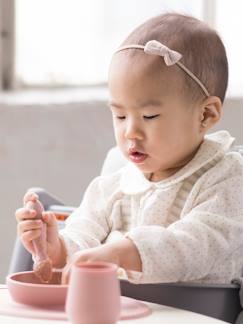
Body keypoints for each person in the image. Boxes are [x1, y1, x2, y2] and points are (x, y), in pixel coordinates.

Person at [16, 13, 243, 285]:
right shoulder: (113, 186)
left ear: (205, 115)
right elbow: (85, 233)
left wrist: (123, 252)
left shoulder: (228, 180)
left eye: (149, 117)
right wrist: (57, 249)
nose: (130, 132)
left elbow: (197, 244)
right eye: (120, 116)